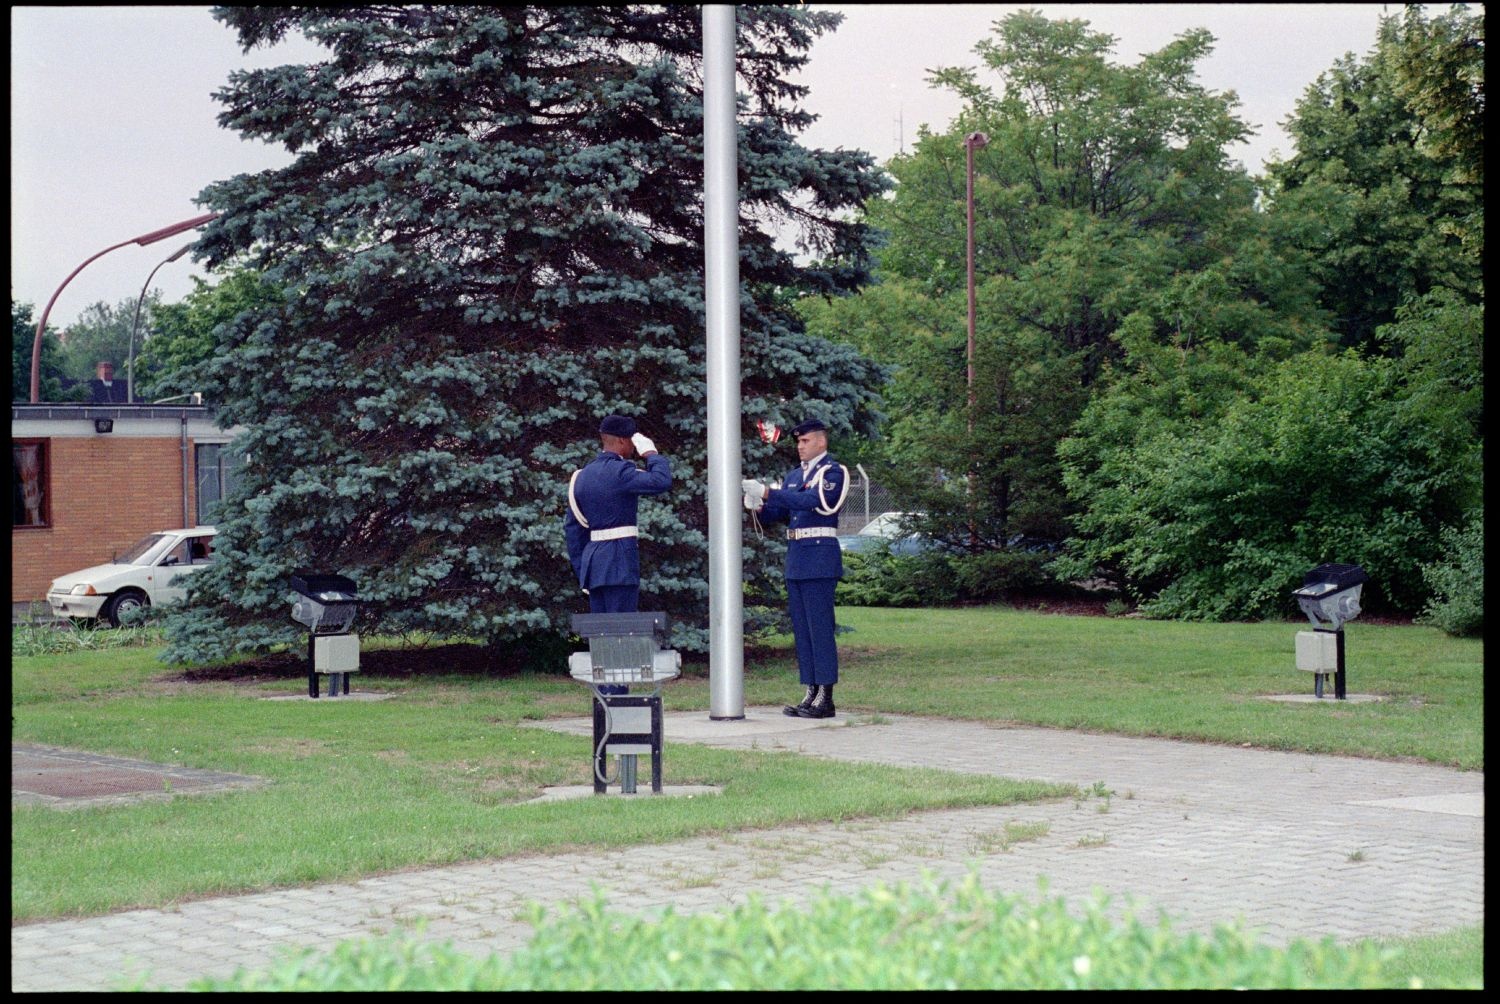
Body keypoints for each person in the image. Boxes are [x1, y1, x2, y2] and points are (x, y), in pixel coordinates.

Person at [742, 418, 850, 719]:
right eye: (798, 442)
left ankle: (826, 695)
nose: (800, 447)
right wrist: (758, 505)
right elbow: (779, 512)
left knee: (820, 627)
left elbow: (818, 502)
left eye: (805, 441)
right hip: (798, 558)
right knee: (803, 630)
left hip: (819, 556)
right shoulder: (792, 476)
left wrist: (767, 492)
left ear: (821, 442)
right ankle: (811, 690)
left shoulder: (833, 472)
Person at [563, 414, 673, 615]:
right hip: (620, 564)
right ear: (623, 440)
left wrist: (583, 572)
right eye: (632, 441)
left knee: (601, 635)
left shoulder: (581, 476)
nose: (633, 447)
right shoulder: (621, 472)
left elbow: (573, 531)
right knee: (622, 634)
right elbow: (661, 481)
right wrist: (650, 453)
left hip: (593, 567)